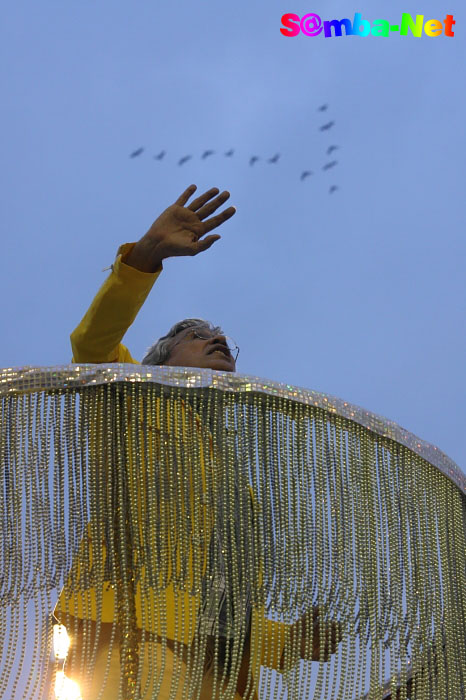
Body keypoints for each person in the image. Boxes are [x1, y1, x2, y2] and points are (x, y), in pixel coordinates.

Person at [55, 185, 340, 699]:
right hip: (131, 640)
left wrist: (292, 641)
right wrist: (143, 258)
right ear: (159, 362)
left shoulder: (231, 469)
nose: (218, 340)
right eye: (197, 335)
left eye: (223, 337)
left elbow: (221, 592)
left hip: (223, 671)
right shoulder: (126, 397)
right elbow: (90, 344)